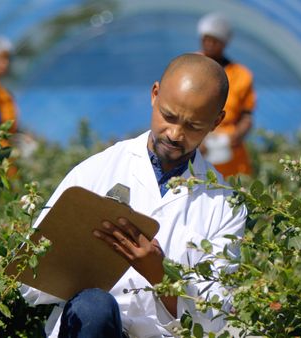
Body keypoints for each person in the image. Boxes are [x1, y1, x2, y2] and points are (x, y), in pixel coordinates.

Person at [20, 53, 247, 337]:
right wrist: (80, 266)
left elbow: (217, 316)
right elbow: (28, 282)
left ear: (216, 122)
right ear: (154, 95)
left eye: (193, 126)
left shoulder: (224, 205)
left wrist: (161, 276)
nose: (175, 134)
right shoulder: (95, 172)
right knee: (94, 307)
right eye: (169, 116)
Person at [197, 12, 256, 177]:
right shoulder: (190, 66)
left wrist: (235, 137)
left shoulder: (241, 75)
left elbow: (247, 115)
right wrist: (193, 140)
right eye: (205, 39)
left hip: (229, 154)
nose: (208, 44)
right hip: (196, 147)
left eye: (214, 41)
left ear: (224, 43)